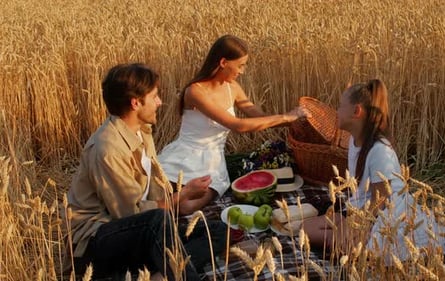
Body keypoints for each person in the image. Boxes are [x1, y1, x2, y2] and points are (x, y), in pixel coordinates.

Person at [63, 63, 226, 280]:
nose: (160, 102)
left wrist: (178, 204)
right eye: (155, 96)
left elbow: (151, 199)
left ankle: (157, 275)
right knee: (157, 221)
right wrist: (182, 196)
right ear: (136, 103)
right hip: (96, 243)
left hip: (139, 231)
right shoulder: (107, 149)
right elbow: (131, 214)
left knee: (218, 231)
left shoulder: (142, 131)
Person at [303, 79, 445, 263]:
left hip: (387, 220)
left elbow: (380, 201)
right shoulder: (354, 140)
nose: (337, 111)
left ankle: (377, 251)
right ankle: (346, 242)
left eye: (341, 106)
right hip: (362, 211)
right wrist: (347, 222)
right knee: (305, 228)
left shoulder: (380, 151)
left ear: (356, 111)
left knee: (340, 245)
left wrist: (354, 228)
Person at [158, 34, 310, 213]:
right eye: (240, 65)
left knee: (186, 207)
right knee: (168, 203)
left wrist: (294, 120)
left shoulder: (233, 88)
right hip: (182, 158)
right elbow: (238, 125)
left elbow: (258, 117)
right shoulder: (195, 92)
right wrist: (286, 117)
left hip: (213, 165)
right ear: (223, 62)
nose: (242, 71)